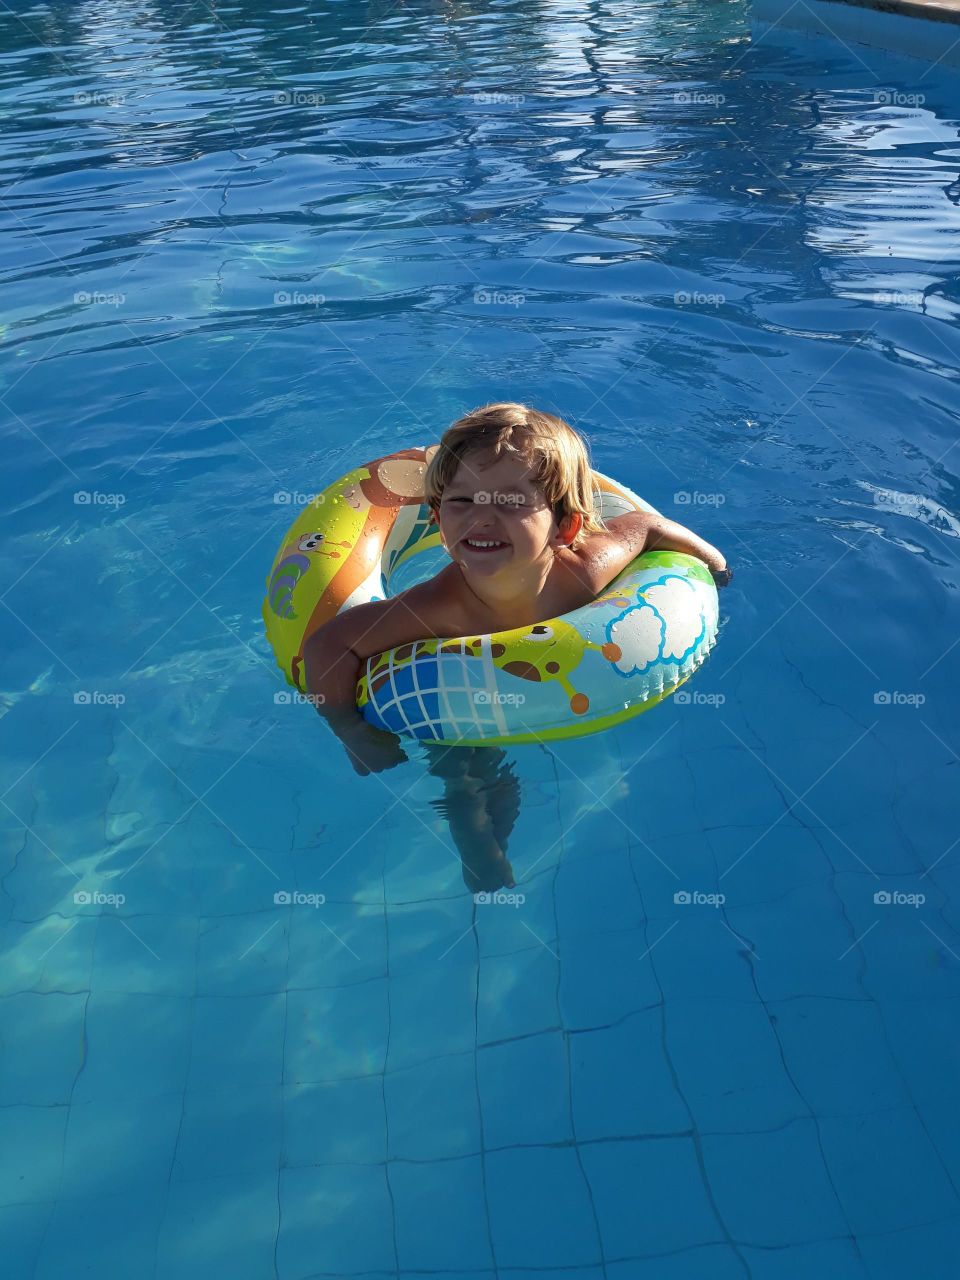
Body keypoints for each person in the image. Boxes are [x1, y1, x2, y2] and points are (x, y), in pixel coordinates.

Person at [302, 402, 730, 887]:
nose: (481, 519)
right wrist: (351, 731)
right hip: (454, 688)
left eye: (510, 501)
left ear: (566, 526)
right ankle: (483, 865)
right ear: (438, 520)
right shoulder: (440, 608)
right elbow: (330, 644)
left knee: (492, 767)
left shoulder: (586, 570)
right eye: (463, 502)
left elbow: (645, 527)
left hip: (550, 679)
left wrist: (713, 564)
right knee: (461, 773)